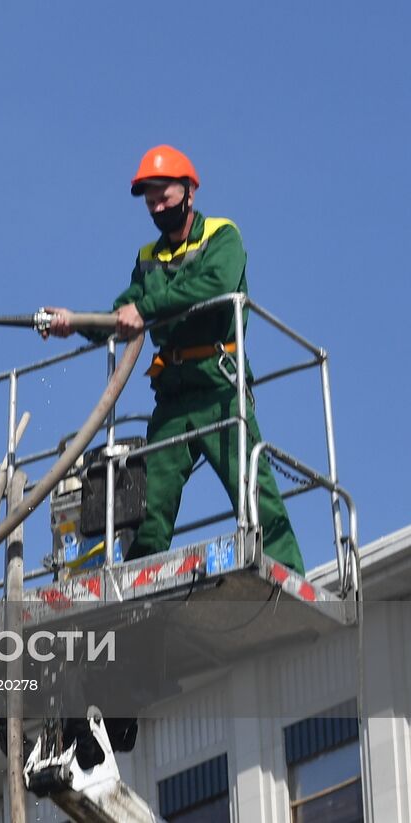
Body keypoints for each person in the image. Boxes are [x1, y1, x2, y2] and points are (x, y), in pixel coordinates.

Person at [44, 144, 305, 575]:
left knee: (254, 491)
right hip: (173, 394)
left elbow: (211, 287)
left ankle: (289, 571)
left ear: (189, 192)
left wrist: (146, 310)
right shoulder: (147, 258)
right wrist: (75, 323)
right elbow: (122, 312)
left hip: (218, 387)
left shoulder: (222, 236)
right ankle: (134, 583)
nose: (158, 206)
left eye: (164, 196)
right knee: (152, 501)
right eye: (151, 201)